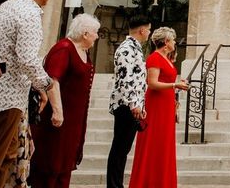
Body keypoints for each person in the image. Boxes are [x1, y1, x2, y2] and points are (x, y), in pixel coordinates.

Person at [0, 0, 57, 188]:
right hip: (8, 96)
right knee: (1, 155)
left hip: (4, 92)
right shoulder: (30, 14)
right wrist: (46, 85)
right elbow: (27, 59)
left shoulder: (7, 5)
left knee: (9, 155)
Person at [27, 13, 99, 187]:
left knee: (64, 163)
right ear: (85, 33)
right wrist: (58, 111)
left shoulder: (82, 51)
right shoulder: (64, 48)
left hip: (74, 121)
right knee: (51, 162)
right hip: (57, 120)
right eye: (95, 32)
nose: (97, 36)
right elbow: (53, 79)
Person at [129, 27, 189, 188]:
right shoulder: (155, 58)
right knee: (153, 143)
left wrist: (175, 95)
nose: (175, 42)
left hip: (166, 104)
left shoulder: (167, 58)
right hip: (156, 105)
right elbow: (152, 83)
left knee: (164, 145)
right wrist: (175, 84)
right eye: (173, 40)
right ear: (166, 42)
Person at [106, 15, 151, 188]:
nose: (149, 32)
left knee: (123, 149)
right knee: (120, 148)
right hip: (125, 105)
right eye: (148, 29)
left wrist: (141, 104)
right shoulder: (126, 49)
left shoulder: (135, 48)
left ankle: (116, 184)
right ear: (141, 30)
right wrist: (134, 104)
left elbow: (138, 79)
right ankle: (114, 185)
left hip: (132, 104)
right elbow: (126, 79)